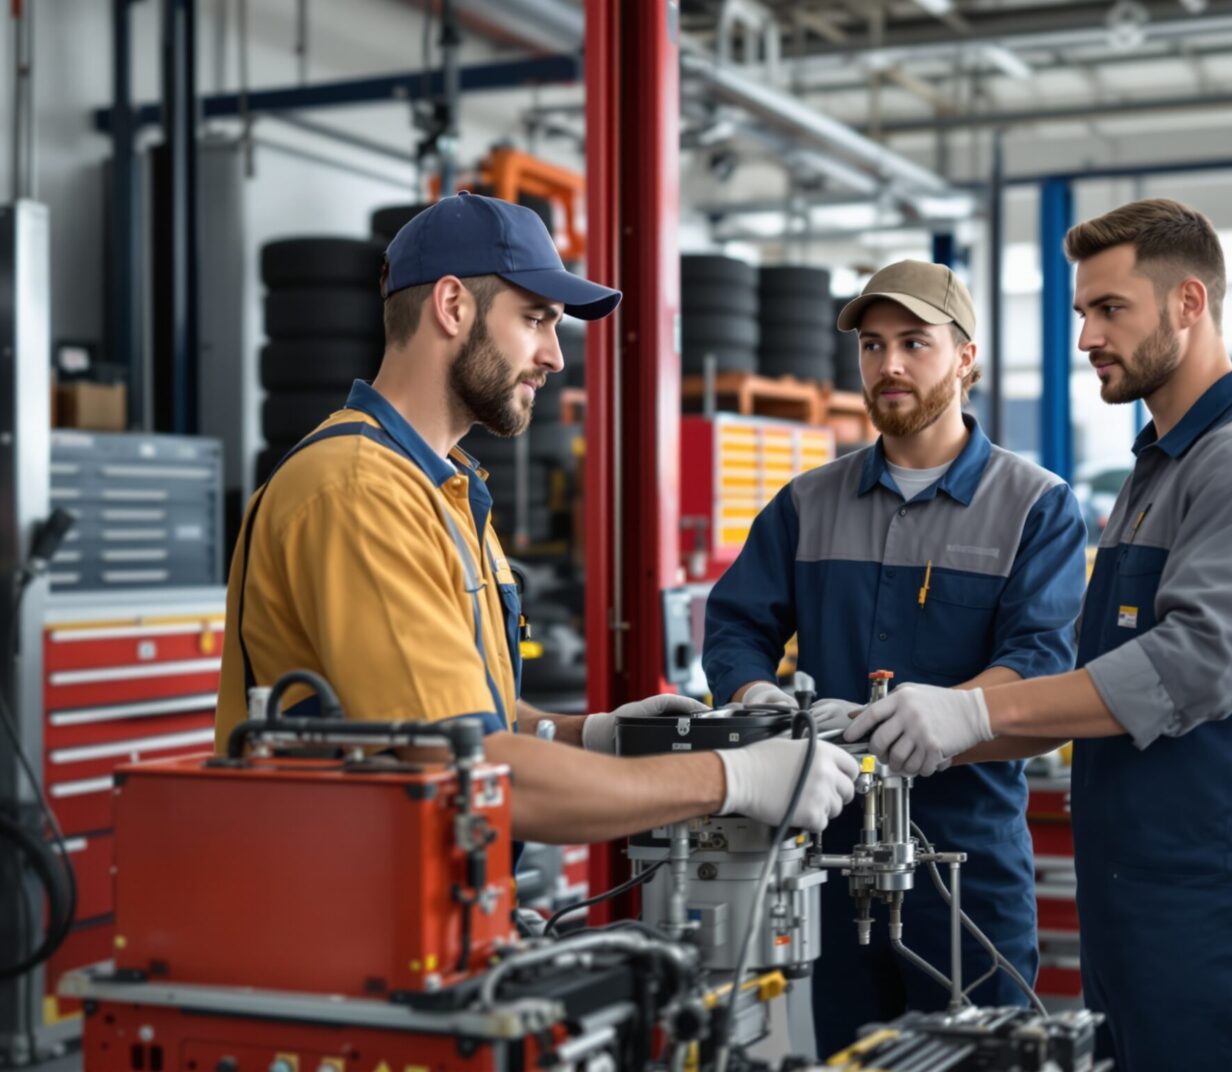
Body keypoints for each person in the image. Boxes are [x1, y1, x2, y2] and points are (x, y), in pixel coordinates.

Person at [845, 200, 1232, 1070]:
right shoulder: (1162, 466)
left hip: (1211, 904)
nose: (1086, 338)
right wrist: (921, 737)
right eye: (1082, 312)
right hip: (1141, 895)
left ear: (1189, 303)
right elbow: (1099, 676)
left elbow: (1198, 665)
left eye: (1111, 310)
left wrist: (974, 719)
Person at [215, 192, 858, 844]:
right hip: (341, 922)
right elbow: (473, 772)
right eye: (536, 319)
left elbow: (458, 719)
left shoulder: (443, 489)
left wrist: (599, 733)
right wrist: (733, 779)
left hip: (418, 911)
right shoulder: (361, 494)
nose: (555, 354)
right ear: (451, 306)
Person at [701, 260, 1089, 1053]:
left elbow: (1041, 659)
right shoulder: (806, 503)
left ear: (966, 357)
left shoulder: (1035, 507)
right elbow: (737, 623)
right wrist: (754, 699)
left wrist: (953, 713)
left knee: (982, 1056)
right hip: (828, 852)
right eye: (873, 347)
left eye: (915, 342)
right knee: (848, 1054)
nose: (891, 365)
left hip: (965, 863)